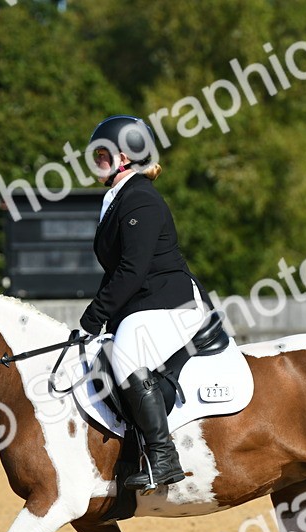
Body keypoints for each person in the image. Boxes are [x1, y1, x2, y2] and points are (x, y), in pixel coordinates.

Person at [78, 115, 211, 490]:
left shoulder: (140, 200)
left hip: (173, 305)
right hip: (147, 305)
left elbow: (132, 271)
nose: (96, 161)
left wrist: (92, 318)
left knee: (126, 355)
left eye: (102, 154)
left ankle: (163, 457)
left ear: (126, 157)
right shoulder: (116, 198)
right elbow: (118, 270)